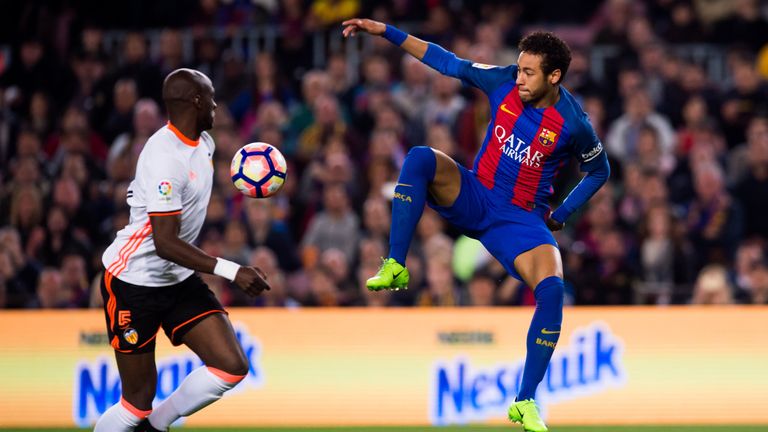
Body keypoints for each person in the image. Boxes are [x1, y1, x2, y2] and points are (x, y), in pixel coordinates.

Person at [343, 19, 610, 431]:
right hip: (474, 193)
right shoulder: (502, 81)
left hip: (519, 220)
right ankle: (396, 263)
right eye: (519, 68)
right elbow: (445, 62)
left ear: (554, 76)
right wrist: (385, 32)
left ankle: (525, 400)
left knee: (553, 289)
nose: (519, 78)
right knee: (419, 158)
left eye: (528, 72)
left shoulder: (574, 122)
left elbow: (599, 170)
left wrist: (561, 213)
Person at [94, 69, 270, 432]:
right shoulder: (164, 158)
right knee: (136, 401)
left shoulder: (203, 142)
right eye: (211, 96)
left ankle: (157, 426)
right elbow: (165, 243)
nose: (216, 104)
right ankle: (146, 421)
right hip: (133, 282)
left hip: (176, 280)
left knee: (231, 366)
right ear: (195, 101)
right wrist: (231, 270)